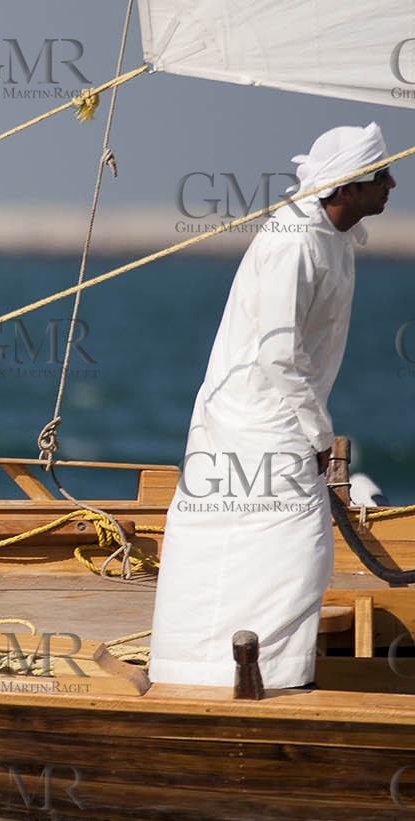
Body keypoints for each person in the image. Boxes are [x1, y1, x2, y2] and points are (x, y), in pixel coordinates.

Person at [150, 123, 395, 689]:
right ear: (346, 186)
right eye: (381, 175)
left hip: (275, 414)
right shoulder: (294, 241)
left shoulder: (332, 237)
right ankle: (219, 672)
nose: (392, 184)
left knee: (274, 550)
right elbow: (279, 352)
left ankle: (245, 670)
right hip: (256, 418)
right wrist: (319, 436)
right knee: (294, 547)